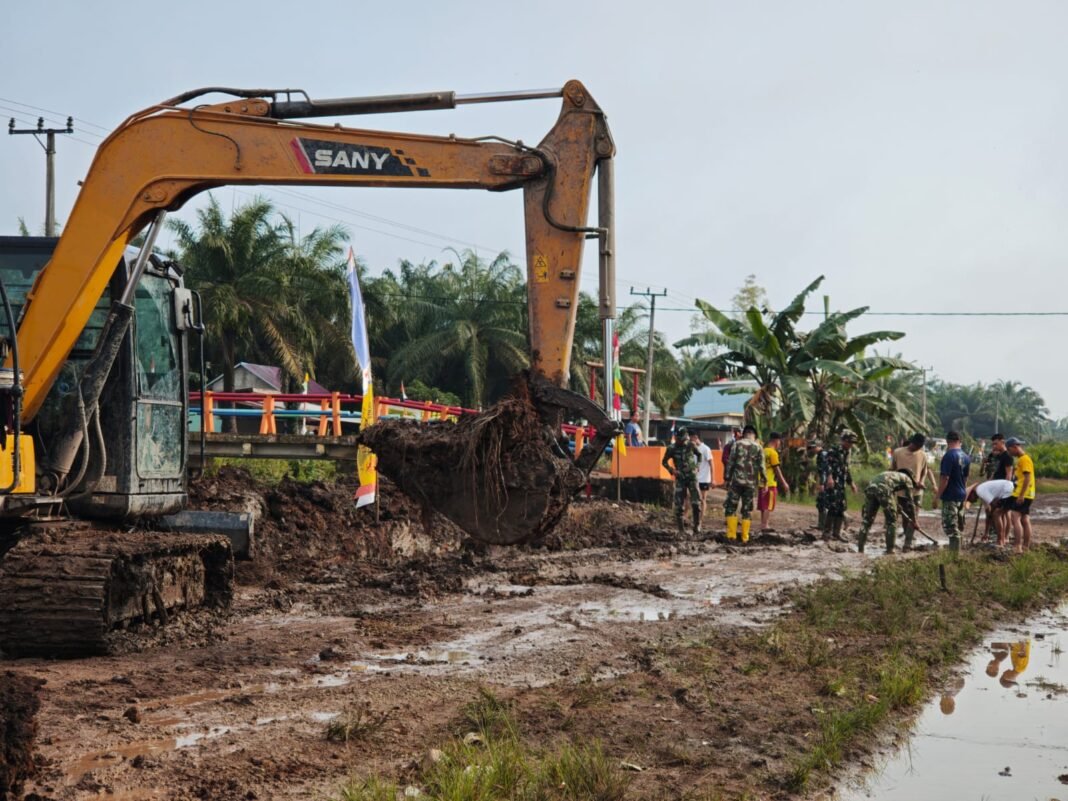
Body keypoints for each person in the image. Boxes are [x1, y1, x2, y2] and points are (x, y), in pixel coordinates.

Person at [856, 468, 918, 554]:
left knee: (866, 520)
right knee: (891, 521)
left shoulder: (891, 475)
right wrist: (914, 520)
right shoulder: (907, 479)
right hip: (883, 489)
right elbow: (911, 502)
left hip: (870, 488)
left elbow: (890, 491)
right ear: (911, 477)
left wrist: (896, 506)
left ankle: (860, 549)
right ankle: (890, 550)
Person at [890, 433, 934, 551]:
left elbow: (925, 471)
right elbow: (892, 469)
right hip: (901, 491)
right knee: (905, 518)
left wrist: (921, 481)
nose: (920, 448)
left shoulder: (923, 455)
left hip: (916, 492)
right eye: (919, 445)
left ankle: (907, 544)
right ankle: (907, 535)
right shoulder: (898, 453)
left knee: (914, 516)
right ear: (913, 443)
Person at [723, 424, 765, 543]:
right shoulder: (758, 447)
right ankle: (745, 537)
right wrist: (764, 482)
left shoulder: (736, 444)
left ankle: (731, 536)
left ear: (744, 434)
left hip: (736, 482)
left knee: (731, 507)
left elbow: (730, 463)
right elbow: (762, 467)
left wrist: (727, 479)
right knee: (747, 510)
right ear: (754, 435)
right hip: (751, 484)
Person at [662, 426, 702, 534]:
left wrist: (697, 466)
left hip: (692, 476)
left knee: (696, 502)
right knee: (679, 505)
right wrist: (672, 470)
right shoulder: (672, 448)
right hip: (680, 477)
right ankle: (681, 530)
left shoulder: (691, 445)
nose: (679, 441)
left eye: (682, 439)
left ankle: (697, 526)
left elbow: (699, 455)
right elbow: (664, 462)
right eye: (678, 438)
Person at [935, 430, 970, 552]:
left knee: (950, 526)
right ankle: (958, 552)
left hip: (950, 495)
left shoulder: (949, 456)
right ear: (960, 441)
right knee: (959, 526)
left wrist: (937, 496)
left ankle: (954, 555)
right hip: (961, 494)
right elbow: (965, 478)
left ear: (947, 441)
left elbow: (945, 478)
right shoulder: (966, 456)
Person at [821, 430, 859, 542]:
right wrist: (829, 478)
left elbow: (846, 469)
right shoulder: (834, 451)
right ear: (844, 440)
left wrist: (851, 483)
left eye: (852, 443)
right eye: (849, 442)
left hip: (841, 483)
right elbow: (826, 465)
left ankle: (836, 533)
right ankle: (826, 533)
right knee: (833, 507)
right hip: (833, 482)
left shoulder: (847, 452)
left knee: (841, 507)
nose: (851, 444)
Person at [980, 433, 1014, 542]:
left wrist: (1004, 492)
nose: (994, 446)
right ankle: (1000, 538)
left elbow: (1009, 475)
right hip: (995, 487)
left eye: (996, 444)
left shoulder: (1007, 456)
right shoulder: (998, 456)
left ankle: (1003, 538)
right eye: (993, 444)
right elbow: (996, 473)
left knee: (1002, 514)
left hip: (1003, 489)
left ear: (1002, 442)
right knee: (995, 513)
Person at [1005, 437, 1035, 553]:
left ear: (1014, 447)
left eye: (1009, 450)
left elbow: (1027, 478)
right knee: (1025, 519)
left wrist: (1021, 495)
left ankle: (1017, 546)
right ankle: (1026, 547)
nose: (1009, 453)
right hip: (1027, 494)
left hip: (1024, 494)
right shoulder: (1022, 459)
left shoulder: (1024, 459)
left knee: (1015, 517)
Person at [965, 479, 1015, 548]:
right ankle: (1002, 540)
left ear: (971, 494)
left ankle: (1000, 541)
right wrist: (986, 533)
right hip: (1009, 490)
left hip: (1008, 490)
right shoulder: (981, 492)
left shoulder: (980, 491)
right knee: (999, 514)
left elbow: (994, 504)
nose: (972, 501)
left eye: (970, 500)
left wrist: (991, 514)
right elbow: (988, 512)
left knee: (996, 514)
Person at [759, 432, 790, 532]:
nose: (780, 443)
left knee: (763, 505)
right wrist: (784, 482)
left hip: (761, 482)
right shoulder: (773, 453)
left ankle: (763, 523)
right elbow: (777, 469)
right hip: (770, 483)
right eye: (780, 441)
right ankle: (765, 525)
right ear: (776, 441)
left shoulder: (762, 451)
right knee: (769, 505)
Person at [691, 430, 714, 519]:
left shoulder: (705, 449)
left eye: (691, 439)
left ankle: (701, 518)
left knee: (702, 499)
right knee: (692, 498)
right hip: (694, 478)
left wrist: (712, 479)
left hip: (704, 479)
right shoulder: (692, 449)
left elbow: (712, 464)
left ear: (696, 438)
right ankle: (694, 516)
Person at [806, 439, 828, 530]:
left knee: (822, 502)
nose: (811, 449)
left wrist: (822, 483)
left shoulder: (822, 456)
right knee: (828, 502)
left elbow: (824, 471)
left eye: (813, 447)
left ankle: (822, 525)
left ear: (818, 446)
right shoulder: (823, 454)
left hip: (826, 482)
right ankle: (822, 524)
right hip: (828, 481)